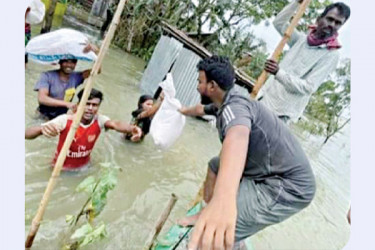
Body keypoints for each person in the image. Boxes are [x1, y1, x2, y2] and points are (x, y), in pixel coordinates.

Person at [179, 56, 316, 249]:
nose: (197, 86)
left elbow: (238, 138)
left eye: (199, 82)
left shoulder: (235, 107)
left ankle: (226, 227)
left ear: (212, 86)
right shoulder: (223, 102)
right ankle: (208, 212)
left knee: (209, 238)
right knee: (214, 166)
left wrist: (224, 201)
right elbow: (200, 109)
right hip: (265, 168)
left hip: (286, 186)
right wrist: (181, 110)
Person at [258, 1, 350, 123]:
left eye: (338, 23)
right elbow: (279, 23)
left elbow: (308, 87)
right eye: (330, 19)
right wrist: (297, 3)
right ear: (319, 19)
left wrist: (278, 72)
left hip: (281, 113)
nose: (332, 25)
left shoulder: (331, 54)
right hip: (264, 97)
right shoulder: (301, 40)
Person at [25, 88, 142, 170]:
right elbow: (27, 133)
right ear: (79, 104)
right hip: (61, 169)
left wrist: (132, 128)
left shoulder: (100, 120)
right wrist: (42, 130)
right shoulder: (65, 120)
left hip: (84, 168)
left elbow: (116, 124)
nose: (90, 108)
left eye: (94, 105)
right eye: (87, 103)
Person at [34, 43, 99, 120]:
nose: (69, 65)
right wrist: (67, 104)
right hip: (43, 115)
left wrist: (96, 53)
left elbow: (96, 70)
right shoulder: (47, 76)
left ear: (76, 64)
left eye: (73, 62)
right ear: (60, 62)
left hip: (61, 117)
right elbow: (42, 98)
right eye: (66, 61)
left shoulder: (76, 77)